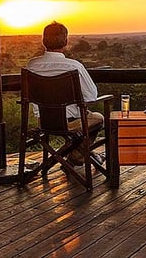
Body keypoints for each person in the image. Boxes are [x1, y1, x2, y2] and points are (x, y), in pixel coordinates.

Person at [25, 21, 104, 166]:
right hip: (70, 123)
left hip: (43, 122)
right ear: (66, 42)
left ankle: (61, 158)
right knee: (98, 118)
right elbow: (91, 96)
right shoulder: (74, 66)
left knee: (87, 120)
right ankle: (76, 157)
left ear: (44, 41)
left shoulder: (31, 65)